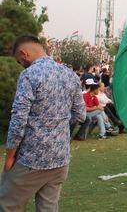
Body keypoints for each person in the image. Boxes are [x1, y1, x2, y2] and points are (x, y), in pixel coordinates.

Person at [0, 35, 86, 211]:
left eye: (19, 61)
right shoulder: (70, 75)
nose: (21, 64)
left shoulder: (29, 75)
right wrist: (57, 128)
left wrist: (10, 157)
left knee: (7, 205)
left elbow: (18, 119)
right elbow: (80, 114)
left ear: (24, 53)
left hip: (30, 160)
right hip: (60, 159)